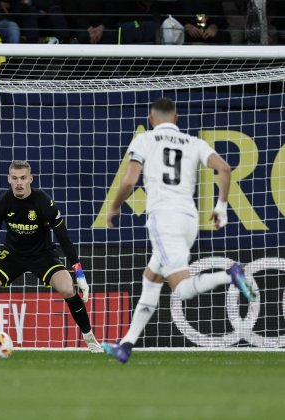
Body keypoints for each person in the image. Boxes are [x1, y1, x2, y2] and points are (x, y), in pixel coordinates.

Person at [102, 97, 256, 363]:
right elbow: (224, 168)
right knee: (151, 278)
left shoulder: (145, 140)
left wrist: (114, 207)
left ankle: (230, 275)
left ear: (151, 120)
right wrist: (220, 207)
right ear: (176, 119)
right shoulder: (194, 143)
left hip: (164, 218)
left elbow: (130, 179)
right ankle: (126, 345)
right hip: (189, 220)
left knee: (181, 289)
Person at [0, 160, 103, 353]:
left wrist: (78, 272)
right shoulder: (1, 203)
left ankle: (90, 340)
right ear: (9, 179)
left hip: (43, 255)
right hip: (12, 255)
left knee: (68, 290)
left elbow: (63, 237)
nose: (19, 183)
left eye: (23, 178)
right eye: (15, 178)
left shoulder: (44, 202)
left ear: (31, 178)